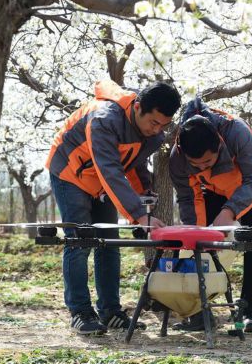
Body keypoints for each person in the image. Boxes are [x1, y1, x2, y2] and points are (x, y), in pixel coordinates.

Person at [46, 80, 181, 335]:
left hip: (101, 180)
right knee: (81, 240)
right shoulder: (104, 120)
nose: (157, 130)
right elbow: (110, 170)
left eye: (163, 125)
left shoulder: (151, 134)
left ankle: (110, 311)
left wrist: (144, 197)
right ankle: (80, 312)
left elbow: (134, 165)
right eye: (154, 123)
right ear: (138, 107)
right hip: (70, 172)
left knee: (109, 243)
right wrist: (139, 216)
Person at [169, 97, 252, 332]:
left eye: (207, 161)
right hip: (216, 189)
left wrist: (230, 211)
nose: (202, 168)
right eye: (195, 164)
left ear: (219, 144)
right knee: (200, 244)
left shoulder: (235, 132)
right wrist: (198, 234)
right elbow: (188, 198)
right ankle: (198, 311)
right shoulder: (177, 158)